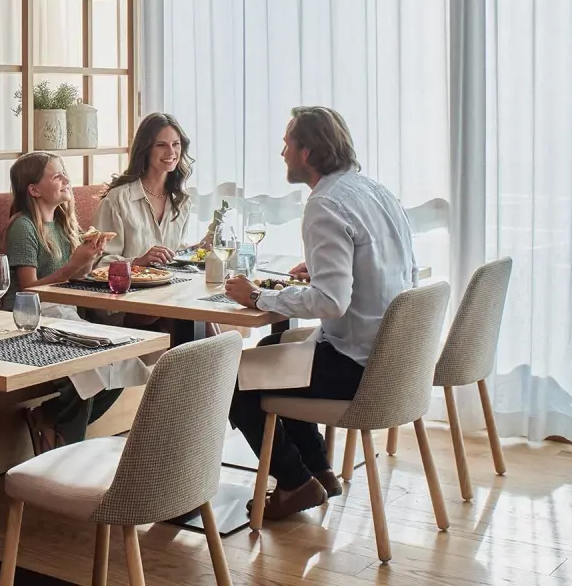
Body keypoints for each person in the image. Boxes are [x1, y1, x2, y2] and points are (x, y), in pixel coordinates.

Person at [223, 106, 417, 520]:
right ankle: (320, 473)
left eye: (287, 145)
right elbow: (389, 268)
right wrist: (328, 271)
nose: (282, 154)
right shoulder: (375, 191)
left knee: (232, 379)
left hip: (358, 366)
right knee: (275, 347)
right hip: (394, 359)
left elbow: (331, 303)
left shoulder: (324, 204)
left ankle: (294, 484)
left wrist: (258, 297)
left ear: (307, 152)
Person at [3, 152, 148, 454]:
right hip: (27, 319)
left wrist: (89, 259)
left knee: (124, 360)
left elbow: (75, 278)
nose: (67, 180)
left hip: (62, 314)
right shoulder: (23, 227)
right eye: (57, 176)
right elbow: (28, 290)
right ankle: (67, 449)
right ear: (33, 189)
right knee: (86, 367)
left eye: (64, 173)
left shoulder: (61, 224)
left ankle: (50, 419)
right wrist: (73, 266)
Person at [92, 112, 196, 267]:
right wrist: (138, 262)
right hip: (127, 290)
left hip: (171, 288)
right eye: (161, 145)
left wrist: (195, 251)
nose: (171, 152)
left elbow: (174, 253)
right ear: (146, 149)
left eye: (176, 144)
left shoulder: (181, 201)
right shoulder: (118, 200)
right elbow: (97, 263)